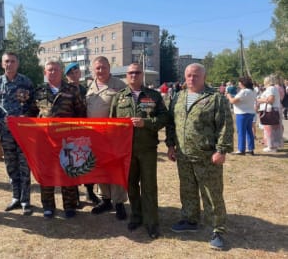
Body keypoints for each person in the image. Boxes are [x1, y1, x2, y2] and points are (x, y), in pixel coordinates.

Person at [166, 63, 233, 250]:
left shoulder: (215, 98)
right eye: (188, 75)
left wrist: (221, 150)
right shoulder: (178, 97)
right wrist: (170, 145)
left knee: (212, 193)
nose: (191, 79)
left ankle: (218, 229)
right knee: (187, 189)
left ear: (204, 77)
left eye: (195, 75)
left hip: (207, 156)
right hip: (184, 155)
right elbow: (172, 123)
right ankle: (190, 219)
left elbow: (225, 126)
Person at [110, 63, 169, 239]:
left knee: (149, 187)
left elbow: (164, 117)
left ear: (142, 75)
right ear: (126, 76)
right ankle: (136, 216)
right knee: (131, 186)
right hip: (126, 151)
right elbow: (112, 123)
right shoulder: (119, 97)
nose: (134, 75)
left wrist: (147, 123)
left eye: (137, 72)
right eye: (130, 73)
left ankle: (152, 222)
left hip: (147, 149)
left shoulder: (153, 96)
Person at [30, 59, 86, 219]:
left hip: (67, 140)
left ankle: (69, 205)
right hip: (45, 141)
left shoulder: (72, 90)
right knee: (47, 173)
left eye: (56, 70)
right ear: (45, 73)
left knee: (67, 172)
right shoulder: (39, 91)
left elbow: (81, 112)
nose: (53, 72)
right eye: (50, 70)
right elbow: (32, 113)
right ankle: (48, 206)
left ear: (61, 72)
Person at [0, 52, 35, 216]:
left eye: (13, 61)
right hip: (6, 133)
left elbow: (34, 106)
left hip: (23, 132)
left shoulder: (26, 82)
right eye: (6, 61)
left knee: (24, 165)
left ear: (18, 63)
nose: (9, 64)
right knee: (10, 165)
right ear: (2, 64)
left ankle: (25, 200)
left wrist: (26, 116)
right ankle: (15, 197)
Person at [86, 56, 128, 220]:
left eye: (103, 67)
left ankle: (119, 203)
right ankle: (106, 200)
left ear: (109, 67)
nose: (101, 71)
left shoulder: (119, 86)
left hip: (114, 137)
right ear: (93, 70)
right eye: (98, 68)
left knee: (116, 169)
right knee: (100, 168)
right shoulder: (90, 86)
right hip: (95, 137)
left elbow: (126, 110)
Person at [64, 61, 100, 205]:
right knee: (72, 163)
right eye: (71, 73)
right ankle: (75, 196)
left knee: (88, 161)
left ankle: (90, 192)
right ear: (67, 76)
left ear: (80, 73)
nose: (74, 75)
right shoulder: (64, 90)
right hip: (69, 132)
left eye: (76, 72)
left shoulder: (86, 90)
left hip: (86, 132)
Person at [226, 77, 256, 155]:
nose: (238, 84)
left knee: (241, 132)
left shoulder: (244, 92)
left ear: (243, 83)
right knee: (249, 131)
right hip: (250, 112)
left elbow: (233, 101)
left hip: (242, 113)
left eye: (239, 82)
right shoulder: (252, 91)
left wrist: (229, 96)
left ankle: (241, 149)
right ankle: (250, 148)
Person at [256, 75, 283, 152]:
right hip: (274, 110)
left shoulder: (271, 89)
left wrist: (260, 100)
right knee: (274, 128)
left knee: (270, 128)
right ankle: (274, 145)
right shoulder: (273, 88)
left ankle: (271, 146)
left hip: (270, 111)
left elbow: (271, 100)